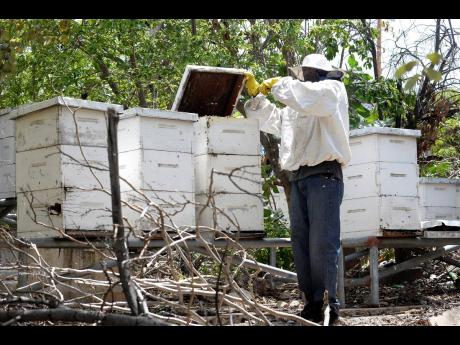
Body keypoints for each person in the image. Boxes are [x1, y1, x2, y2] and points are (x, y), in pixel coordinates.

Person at [244, 54, 351, 324]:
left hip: (325, 176)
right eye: (301, 71)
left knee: (322, 245)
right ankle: (312, 304)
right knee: (301, 243)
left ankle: (329, 306)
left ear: (318, 72)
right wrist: (256, 99)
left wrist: (279, 83)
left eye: (306, 71)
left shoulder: (332, 91)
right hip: (300, 178)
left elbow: (310, 98)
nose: (302, 75)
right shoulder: (297, 103)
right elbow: (273, 120)